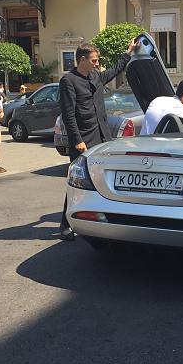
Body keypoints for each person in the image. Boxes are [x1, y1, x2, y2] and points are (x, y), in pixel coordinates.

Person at [58, 39, 138, 240]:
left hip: (102, 137)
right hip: (83, 140)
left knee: (102, 182)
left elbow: (113, 71)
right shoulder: (68, 81)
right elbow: (68, 115)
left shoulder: (95, 76)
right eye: (94, 60)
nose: (97, 63)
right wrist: (77, 140)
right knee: (79, 183)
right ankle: (65, 225)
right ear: (82, 59)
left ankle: (99, 221)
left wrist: (128, 53)